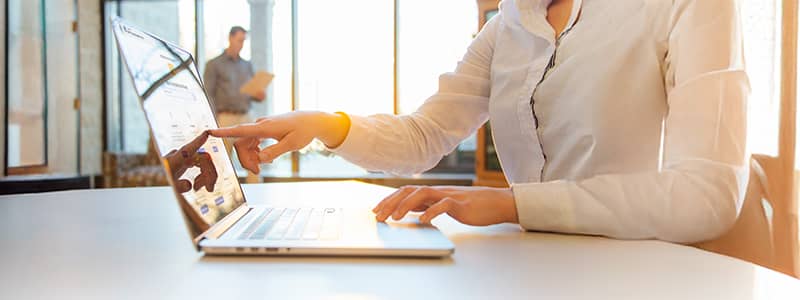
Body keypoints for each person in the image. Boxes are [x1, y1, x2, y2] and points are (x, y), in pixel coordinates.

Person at [210, 0, 749, 244]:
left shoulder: (686, 5)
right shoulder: (505, 26)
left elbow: (708, 195)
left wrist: (513, 204)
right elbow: (425, 137)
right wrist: (326, 124)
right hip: (532, 266)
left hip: (644, 272)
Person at [203, 26, 265, 184]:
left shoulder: (247, 65)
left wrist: (259, 95)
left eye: (244, 41)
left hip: (246, 116)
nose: (241, 44)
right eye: (239, 40)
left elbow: (252, 93)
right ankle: (223, 193)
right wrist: (213, 120)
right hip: (225, 118)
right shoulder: (214, 64)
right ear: (230, 38)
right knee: (222, 161)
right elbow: (208, 94)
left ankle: (256, 191)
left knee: (253, 157)